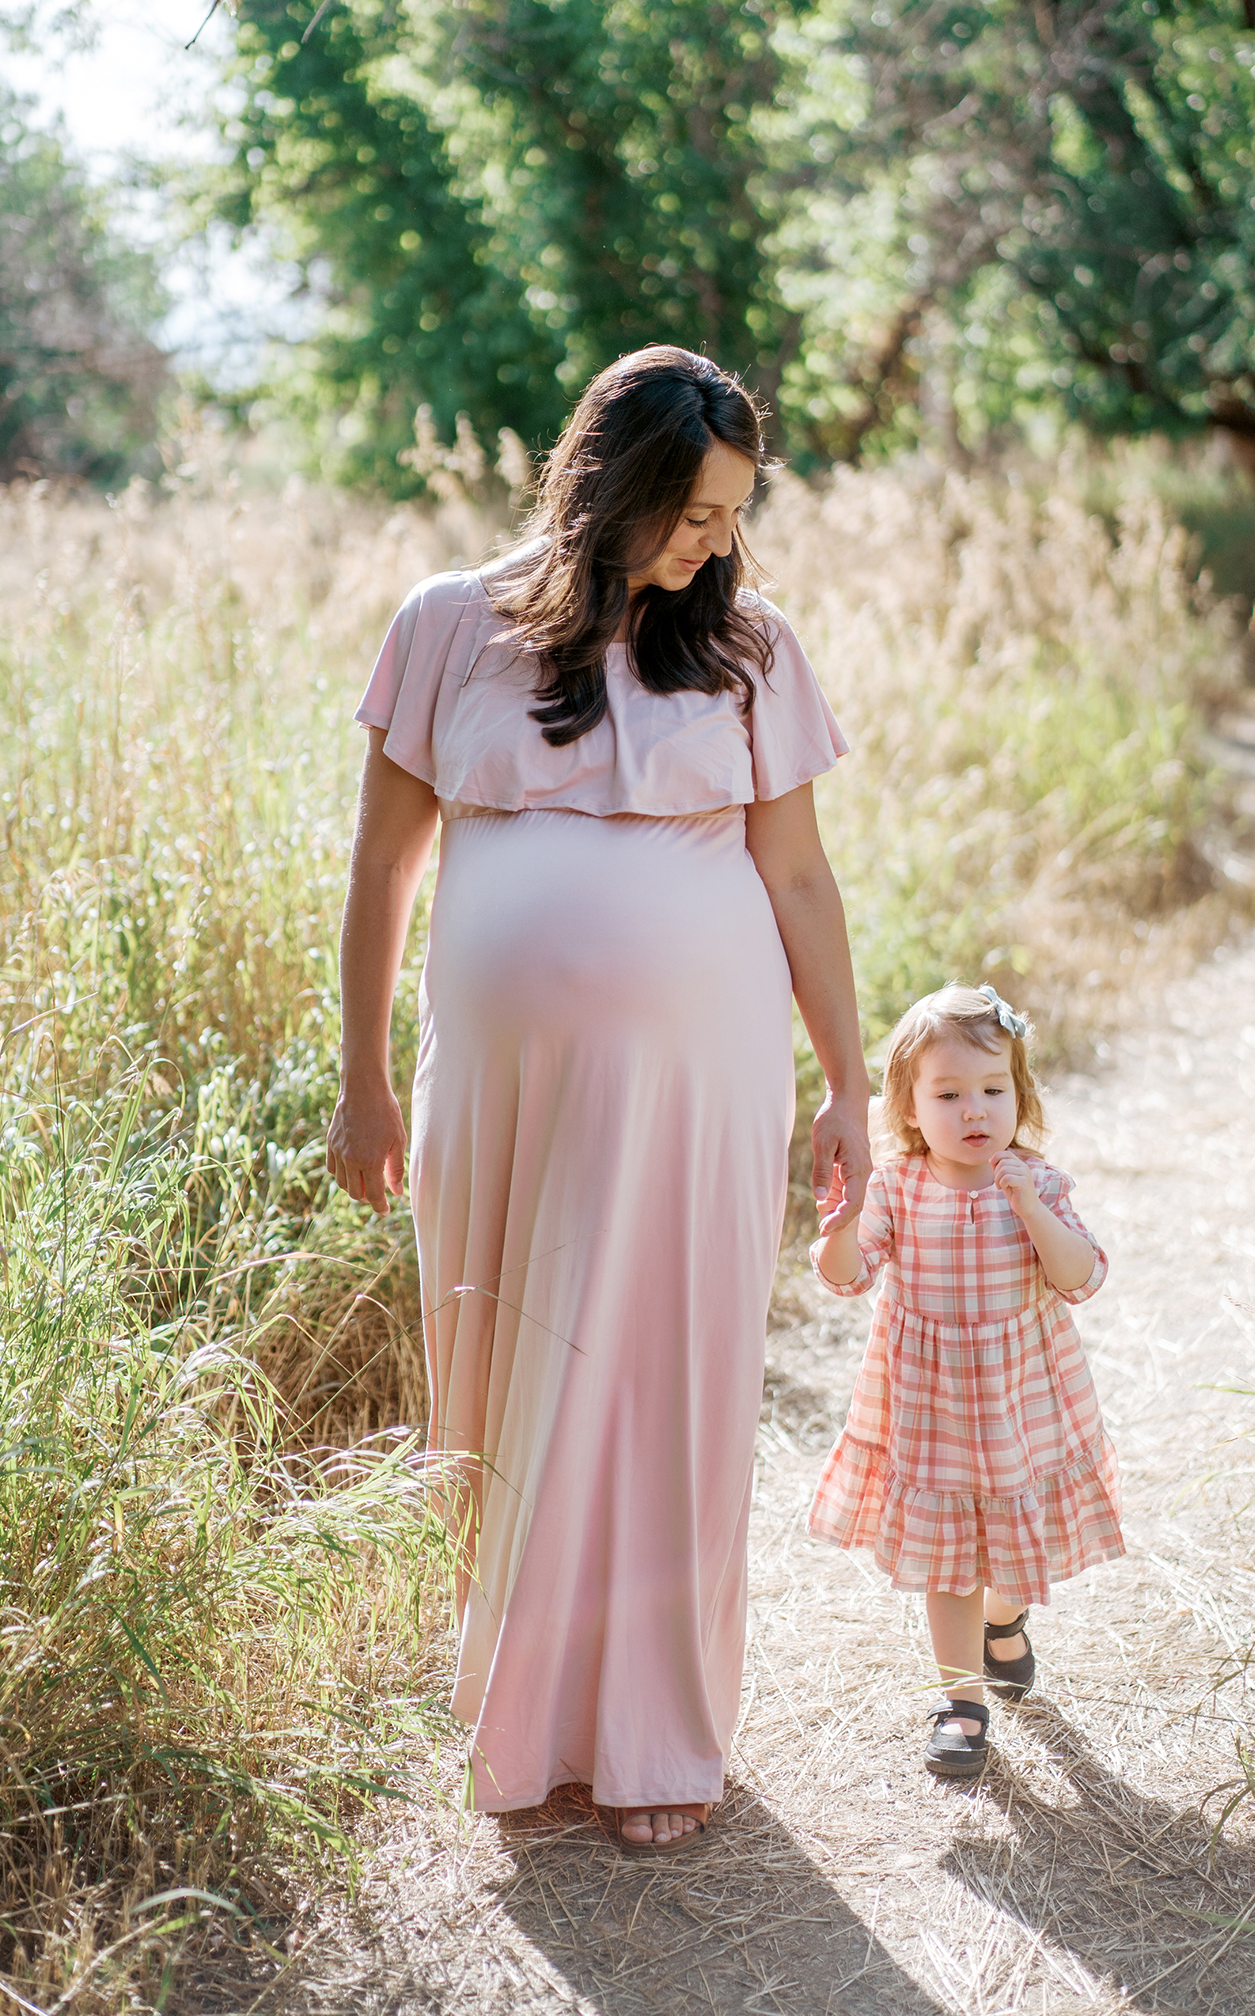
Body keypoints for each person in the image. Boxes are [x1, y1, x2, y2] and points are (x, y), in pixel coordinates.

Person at [326, 345, 871, 1853]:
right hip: (495, 1085)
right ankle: (523, 1722)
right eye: (694, 512)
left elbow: (801, 876)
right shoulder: (448, 625)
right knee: (496, 1367)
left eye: (731, 516)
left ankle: (653, 1738)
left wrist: (851, 1089)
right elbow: (383, 869)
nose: (716, 544)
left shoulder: (749, 647)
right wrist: (362, 1081)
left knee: (662, 1382)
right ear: (613, 483)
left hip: (697, 1082)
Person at [808, 982, 1123, 1778]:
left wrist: (1032, 1210)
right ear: (911, 1109)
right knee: (951, 1557)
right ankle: (961, 1701)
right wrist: (840, 1228)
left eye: (993, 1090)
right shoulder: (900, 1189)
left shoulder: (1036, 1183)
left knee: (1012, 1555)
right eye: (948, 1094)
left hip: (1020, 1400)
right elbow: (848, 1280)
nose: (974, 1110)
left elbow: (1082, 1277)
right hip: (932, 1405)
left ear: (1018, 1097)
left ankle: (1004, 1624)